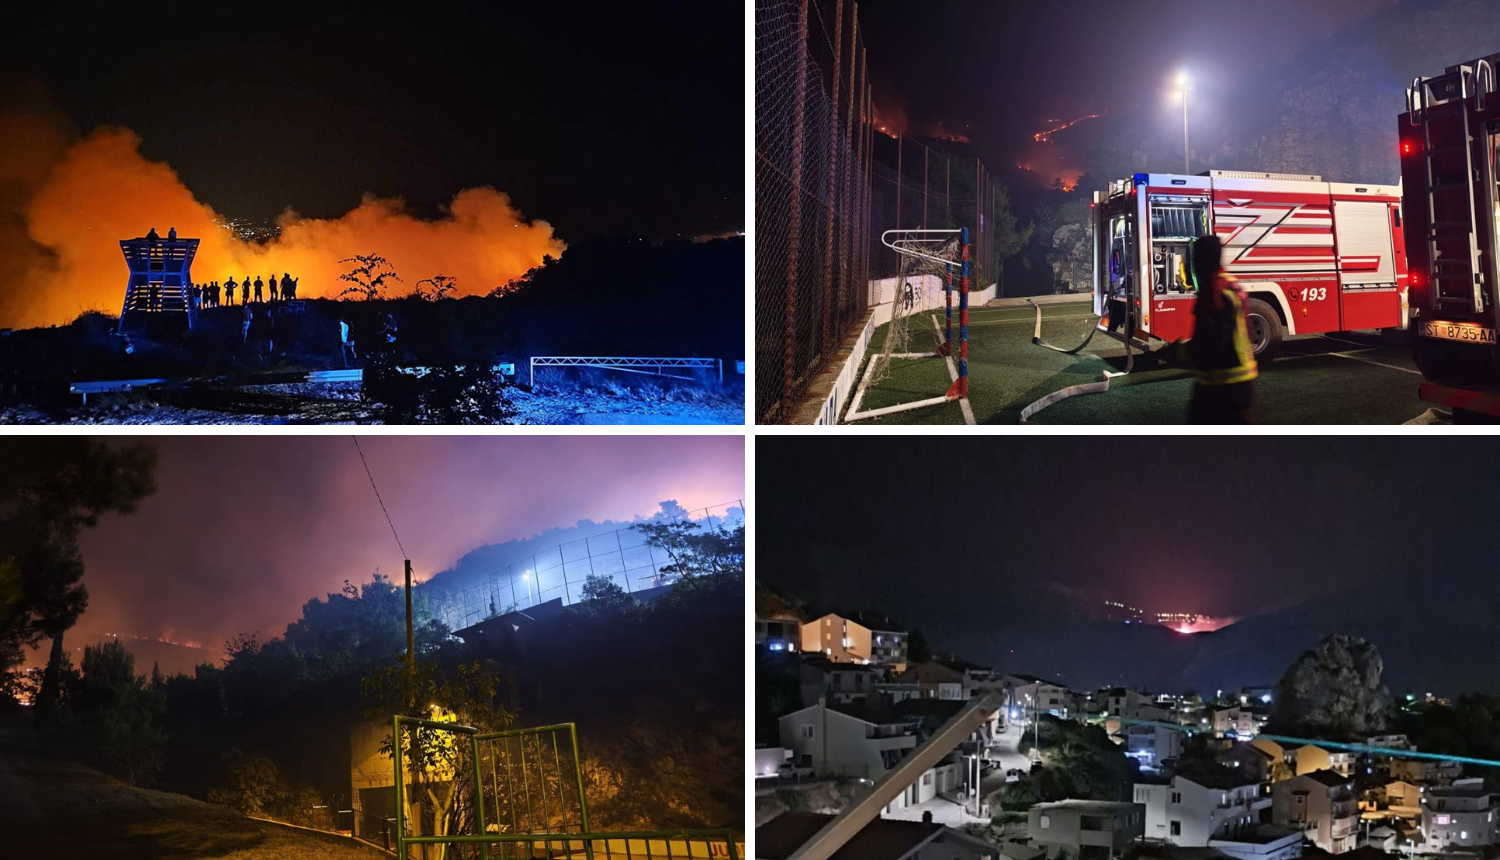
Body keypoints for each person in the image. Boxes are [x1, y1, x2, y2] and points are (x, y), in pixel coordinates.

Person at [1183, 235, 1257, 424]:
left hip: (1222, 384)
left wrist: (1176, 353)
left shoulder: (1214, 291)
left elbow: (1210, 342)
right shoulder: (1229, 284)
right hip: (1237, 381)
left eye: (1194, 258)